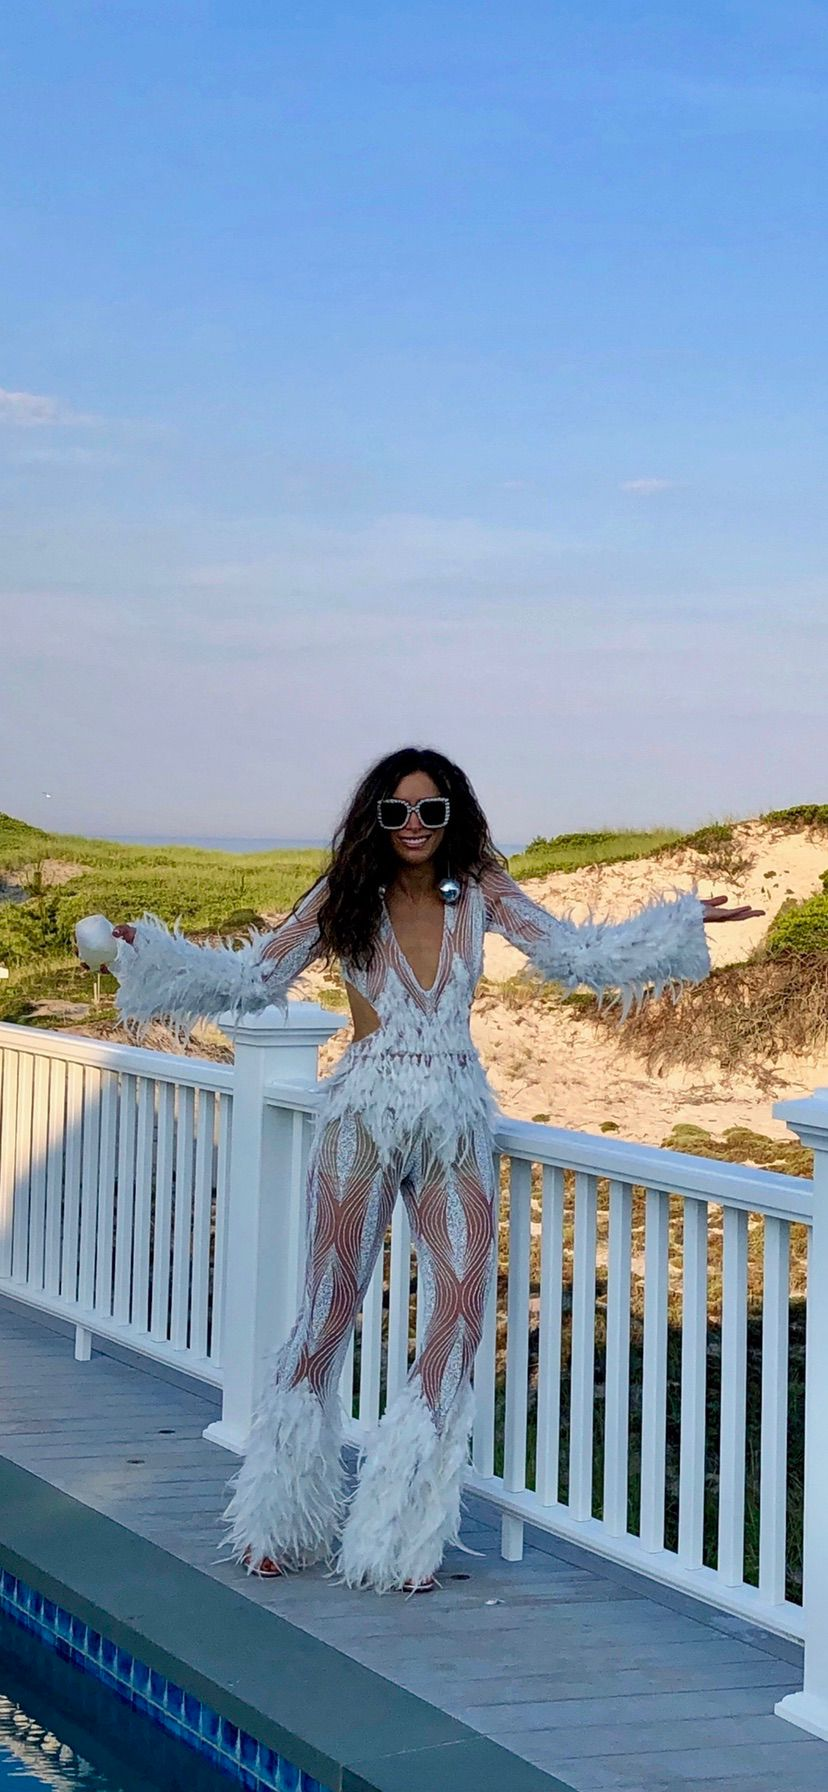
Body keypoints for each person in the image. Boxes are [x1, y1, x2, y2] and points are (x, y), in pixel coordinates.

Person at [109, 746, 760, 1595]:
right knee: (327, 1310)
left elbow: (572, 954)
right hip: (362, 1113)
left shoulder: (482, 887)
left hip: (456, 1113)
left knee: (459, 1313)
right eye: (396, 811)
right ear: (375, 819)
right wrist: (151, 957)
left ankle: (397, 1539)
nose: (413, 825)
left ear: (454, 815)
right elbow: (254, 975)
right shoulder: (344, 894)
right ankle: (276, 1523)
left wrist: (675, 928)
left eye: (429, 810)